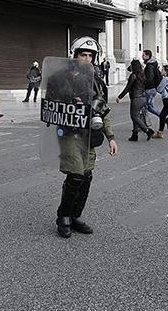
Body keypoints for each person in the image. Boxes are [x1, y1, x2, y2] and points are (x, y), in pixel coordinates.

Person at [52, 36, 118, 238]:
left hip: (90, 134)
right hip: (70, 133)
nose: (87, 59)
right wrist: (71, 101)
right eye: (83, 55)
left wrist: (111, 137)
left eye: (91, 55)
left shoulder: (96, 82)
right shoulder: (62, 78)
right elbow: (52, 104)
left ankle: (74, 216)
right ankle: (63, 217)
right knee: (76, 175)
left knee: (87, 176)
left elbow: (102, 111)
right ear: (75, 56)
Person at [116, 59, 153, 141]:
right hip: (143, 98)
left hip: (136, 98)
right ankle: (135, 134)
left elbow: (128, 88)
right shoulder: (142, 74)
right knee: (135, 116)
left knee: (134, 116)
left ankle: (147, 131)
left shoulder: (133, 75)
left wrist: (120, 97)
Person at [142, 50, 162, 117]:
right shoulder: (152, 64)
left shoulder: (149, 66)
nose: (142, 56)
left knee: (149, 107)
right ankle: (144, 124)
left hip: (149, 89)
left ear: (148, 56)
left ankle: (163, 117)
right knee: (146, 106)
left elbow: (149, 79)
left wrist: (143, 83)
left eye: (143, 55)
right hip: (152, 88)